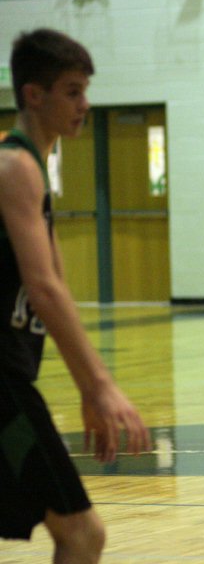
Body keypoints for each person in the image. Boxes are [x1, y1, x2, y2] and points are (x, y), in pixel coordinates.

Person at [0, 28, 151, 563]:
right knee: (83, 535)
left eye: (86, 90)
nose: (85, 104)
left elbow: (55, 284)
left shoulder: (35, 169)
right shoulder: (14, 166)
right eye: (72, 91)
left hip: (13, 378)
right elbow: (42, 289)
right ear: (34, 95)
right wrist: (101, 387)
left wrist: (86, 390)